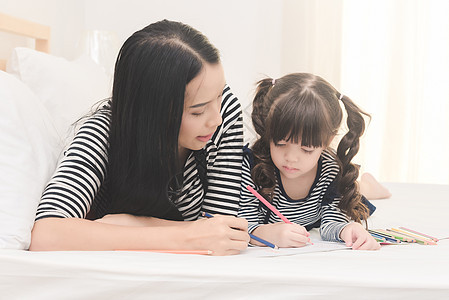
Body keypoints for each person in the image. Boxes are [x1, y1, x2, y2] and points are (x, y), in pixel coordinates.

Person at [30, 19, 250, 256]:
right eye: (197, 110)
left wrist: (131, 223)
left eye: (219, 94)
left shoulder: (224, 112)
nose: (215, 120)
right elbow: (47, 234)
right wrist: (186, 235)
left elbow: (222, 231)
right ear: (151, 111)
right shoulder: (104, 131)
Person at [238, 73, 381, 250]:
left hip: (318, 209)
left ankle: (368, 184)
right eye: (280, 143)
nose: (291, 158)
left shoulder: (330, 168)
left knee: (358, 194)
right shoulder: (251, 167)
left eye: (306, 149)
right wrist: (264, 234)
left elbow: (331, 223)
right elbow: (243, 222)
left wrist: (347, 229)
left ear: (327, 141)